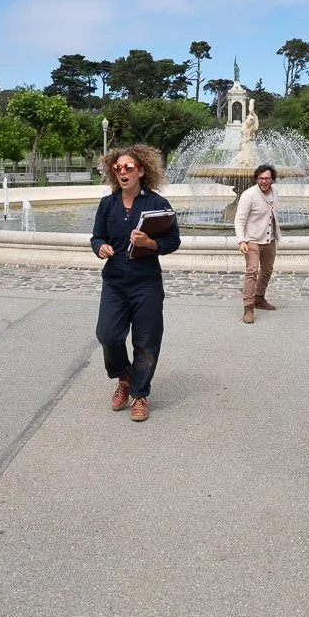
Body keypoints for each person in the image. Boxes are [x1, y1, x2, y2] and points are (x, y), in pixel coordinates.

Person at [90, 144, 181, 423]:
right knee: (108, 335)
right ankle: (124, 376)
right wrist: (101, 247)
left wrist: (149, 242)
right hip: (115, 281)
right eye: (118, 168)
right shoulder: (108, 203)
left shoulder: (157, 204)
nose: (122, 172)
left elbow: (173, 241)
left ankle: (140, 394)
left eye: (129, 167)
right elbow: (96, 237)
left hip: (146, 282)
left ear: (141, 170)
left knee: (146, 341)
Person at [234, 163, 282, 324]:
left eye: (267, 178)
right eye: (261, 178)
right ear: (257, 179)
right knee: (252, 271)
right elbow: (239, 219)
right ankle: (248, 307)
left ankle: (259, 298)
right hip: (252, 240)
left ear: (272, 179)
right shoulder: (248, 195)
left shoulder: (275, 191)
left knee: (267, 270)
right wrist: (241, 241)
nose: (264, 181)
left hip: (269, 239)